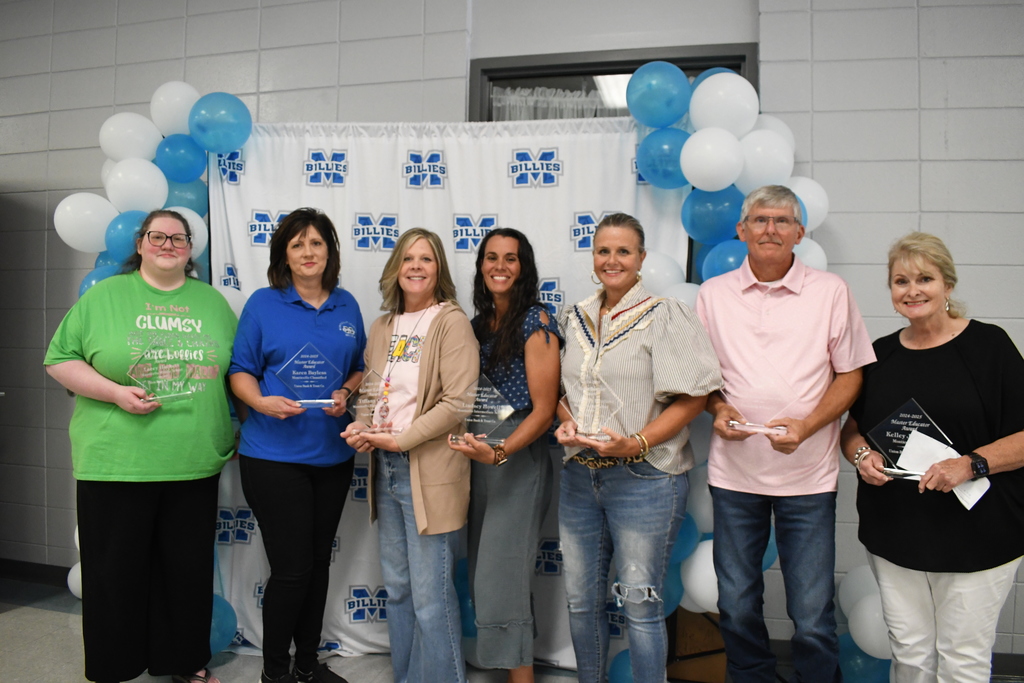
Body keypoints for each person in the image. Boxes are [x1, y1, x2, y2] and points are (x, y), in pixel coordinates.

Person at [44, 209, 236, 683]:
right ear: (140, 243)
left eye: (178, 238)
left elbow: (236, 371)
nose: (168, 245)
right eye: (157, 236)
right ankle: (115, 667)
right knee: (114, 575)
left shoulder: (213, 304)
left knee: (185, 574)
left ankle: (184, 662)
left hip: (192, 461)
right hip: (116, 461)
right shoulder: (104, 297)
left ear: (190, 249)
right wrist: (114, 393)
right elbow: (59, 360)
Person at [695, 185, 875, 682]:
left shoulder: (830, 291)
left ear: (800, 232)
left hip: (808, 478)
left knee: (812, 612)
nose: (770, 229)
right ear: (741, 230)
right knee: (735, 603)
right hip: (734, 477)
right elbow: (699, 378)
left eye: (782, 221)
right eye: (760, 219)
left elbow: (851, 375)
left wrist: (808, 426)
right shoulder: (713, 295)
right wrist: (718, 408)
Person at [840, 232, 1024, 682]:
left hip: (978, 532)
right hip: (896, 531)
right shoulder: (879, 354)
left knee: (962, 660)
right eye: (901, 281)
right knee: (910, 655)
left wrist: (970, 464)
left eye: (925, 278)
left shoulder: (989, 346)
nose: (913, 290)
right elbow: (852, 428)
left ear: (948, 285)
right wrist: (861, 456)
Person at [554, 213, 722, 683]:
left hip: (644, 478)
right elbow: (564, 395)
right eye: (604, 251)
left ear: (642, 258)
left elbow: (694, 397)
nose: (613, 260)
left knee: (641, 605)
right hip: (580, 476)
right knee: (581, 602)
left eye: (623, 251)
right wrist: (567, 423)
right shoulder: (575, 316)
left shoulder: (664, 315)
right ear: (593, 257)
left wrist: (637, 442)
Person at [228, 208, 365, 683]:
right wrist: (260, 403)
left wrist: (346, 391)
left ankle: (307, 665)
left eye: (317, 243)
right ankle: (274, 672)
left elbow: (359, 367)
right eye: (297, 244)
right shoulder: (263, 304)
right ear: (283, 256)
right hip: (273, 458)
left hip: (333, 456)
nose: (308, 252)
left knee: (318, 565)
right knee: (292, 570)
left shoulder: (346, 305)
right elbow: (240, 371)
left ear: (330, 251)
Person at [341, 228, 478, 683]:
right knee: (398, 589)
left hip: (430, 471)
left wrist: (402, 440)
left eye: (426, 258)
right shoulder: (384, 326)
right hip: (387, 470)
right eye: (408, 258)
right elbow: (371, 390)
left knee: (430, 596)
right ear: (396, 268)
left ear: (439, 269)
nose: (416, 266)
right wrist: (361, 425)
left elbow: (457, 403)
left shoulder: (451, 322)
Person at [448, 229, 562, 683]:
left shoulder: (537, 321)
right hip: (480, 456)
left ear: (523, 267)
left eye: (510, 258)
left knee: (502, 580)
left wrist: (500, 452)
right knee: (488, 577)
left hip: (516, 458)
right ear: (481, 266)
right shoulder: (478, 326)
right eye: (491, 257)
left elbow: (545, 410)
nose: (500, 266)